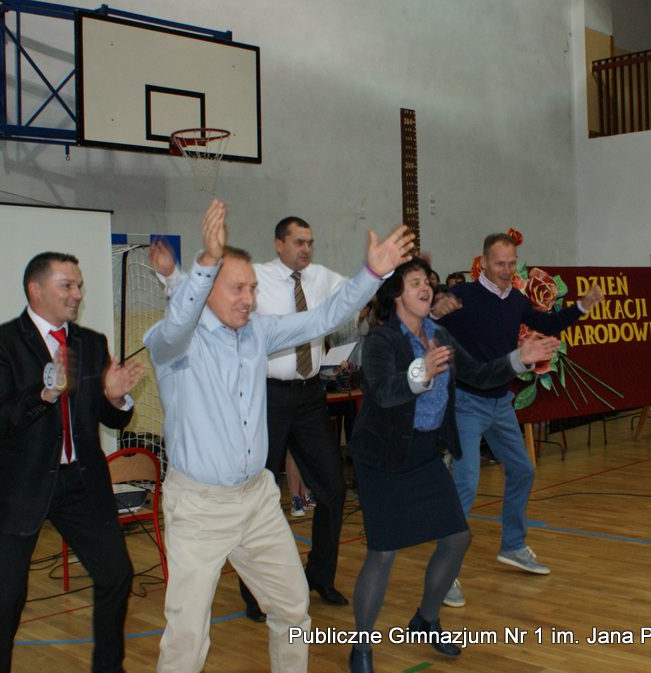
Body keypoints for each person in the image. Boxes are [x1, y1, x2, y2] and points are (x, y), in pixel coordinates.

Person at [144, 200, 413, 673]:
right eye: (237, 288)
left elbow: (323, 318)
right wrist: (207, 261)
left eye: (252, 288)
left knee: (292, 609)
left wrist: (372, 273)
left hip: (257, 501)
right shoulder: (173, 344)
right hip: (200, 509)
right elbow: (179, 320)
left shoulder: (258, 333)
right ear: (206, 289)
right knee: (187, 638)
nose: (249, 298)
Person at [345, 259, 560, 673]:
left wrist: (519, 358)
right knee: (383, 554)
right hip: (382, 460)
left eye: (427, 282)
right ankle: (362, 648)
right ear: (396, 295)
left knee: (457, 538)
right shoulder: (380, 341)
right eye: (414, 283)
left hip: (425, 455)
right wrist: (421, 371)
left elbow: (478, 374)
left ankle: (425, 619)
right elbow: (385, 394)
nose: (426, 288)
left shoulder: (440, 334)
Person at [0, 252, 145, 673]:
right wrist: (44, 393)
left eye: (79, 285)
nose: (77, 294)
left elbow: (110, 419)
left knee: (116, 575)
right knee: (5, 599)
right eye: (67, 285)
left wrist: (116, 397)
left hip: (80, 483)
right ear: (36, 290)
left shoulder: (90, 343)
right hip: (19, 486)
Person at [430, 232, 604, 606]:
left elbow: (549, 323)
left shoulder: (517, 299)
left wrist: (582, 307)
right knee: (466, 484)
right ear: (483, 262)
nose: (507, 270)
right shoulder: (462, 297)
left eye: (511, 263)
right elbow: (429, 323)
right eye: (499, 263)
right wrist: (432, 308)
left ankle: (512, 545)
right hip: (466, 404)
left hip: (500, 403)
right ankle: (445, 573)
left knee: (523, 470)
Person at [239, 215, 353, 618]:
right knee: (259, 495)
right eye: (299, 242)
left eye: (310, 242)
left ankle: (319, 575)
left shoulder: (320, 277)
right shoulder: (256, 277)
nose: (306, 249)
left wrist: (386, 271)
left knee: (333, 489)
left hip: (309, 397)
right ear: (279, 244)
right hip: (267, 395)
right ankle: (255, 591)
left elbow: (356, 292)